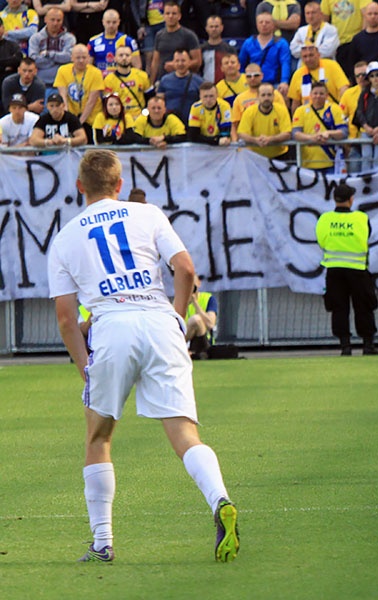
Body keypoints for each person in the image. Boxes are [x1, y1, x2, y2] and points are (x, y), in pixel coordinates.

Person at [47, 149, 239, 564]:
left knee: (99, 437)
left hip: (112, 327)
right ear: (119, 185)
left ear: (80, 187)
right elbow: (186, 269)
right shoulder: (147, 215)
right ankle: (219, 498)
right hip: (159, 322)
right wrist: (176, 314)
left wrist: (85, 366)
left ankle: (102, 543)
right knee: (185, 433)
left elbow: (66, 318)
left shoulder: (65, 237)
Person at [315, 183, 378, 356]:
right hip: (358, 269)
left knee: (339, 307)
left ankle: (345, 346)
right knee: (364, 306)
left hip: (334, 269)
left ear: (334, 199)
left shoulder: (325, 219)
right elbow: (367, 237)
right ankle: (368, 345)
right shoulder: (360, 218)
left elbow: (321, 241)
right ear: (351, 199)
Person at [292, 79, 348, 170]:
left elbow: (344, 132)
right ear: (310, 95)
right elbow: (295, 134)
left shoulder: (335, 109)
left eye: (321, 94)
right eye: (315, 93)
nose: (318, 96)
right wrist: (312, 138)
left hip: (331, 163)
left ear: (326, 96)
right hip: (307, 164)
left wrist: (328, 133)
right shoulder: (300, 111)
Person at [54, 43, 104, 140]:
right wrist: (68, 119)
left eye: (84, 57)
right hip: (71, 115)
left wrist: (79, 124)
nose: (81, 60)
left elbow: (92, 101)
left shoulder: (96, 72)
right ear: (71, 58)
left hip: (91, 118)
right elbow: (63, 97)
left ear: (89, 58)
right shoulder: (62, 70)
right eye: (78, 58)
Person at [238, 13, 291, 98]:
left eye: (267, 22)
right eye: (261, 22)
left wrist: (284, 81)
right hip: (252, 84)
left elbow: (285, 63)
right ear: (256, 25)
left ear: (273, 25)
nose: (264, 25)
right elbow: (241, 64)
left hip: (274, 84)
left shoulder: (281, 43)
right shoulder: (249, 43)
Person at [230, 63, 288, 140]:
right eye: (249, 76)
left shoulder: (275, 94)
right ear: (245, 78)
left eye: (256, 75)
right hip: (249, 147)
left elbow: (283, 118)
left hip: (275, 144)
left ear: (262, 76)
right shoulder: (239, 99)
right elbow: (234, 125)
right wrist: (235, 144)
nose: (252, 78)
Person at [148, 2, 201, 83]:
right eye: (167, 13)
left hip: (184, 81)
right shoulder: (159, 35)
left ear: (179, 16)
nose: (170, 16)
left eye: (174, 13)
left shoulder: (189, 35)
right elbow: (155, 62)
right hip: (163, 82)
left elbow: (197, 61)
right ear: (163, 16)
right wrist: (151, 83)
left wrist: (178, 66)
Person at [287, 43, 349, 112]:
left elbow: (344, 89)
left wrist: (341, 110)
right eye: (305, 56)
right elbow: (296, 103)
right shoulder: (298, 74)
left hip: (332, 113)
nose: (308, 59)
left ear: (318, 55)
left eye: (311, 55)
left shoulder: (332, 66)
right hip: (308, 115)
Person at [237, 82, 292, 158]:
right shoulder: (249, 111)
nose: (266, 98)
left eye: (269, 95)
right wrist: (255, 140)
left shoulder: (282, 110)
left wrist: (270, 139)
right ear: (258, 96)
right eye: (263, 95)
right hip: (256, 155)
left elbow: (287, 134)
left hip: (280, 155)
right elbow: (241, 133)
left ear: (273, 96)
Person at [353, 61, 378, 172]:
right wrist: (365, 125)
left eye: (377, 75)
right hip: (366, 130)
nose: (375, 79)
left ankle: (377, 181)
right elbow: (359, 111)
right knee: (366, 156)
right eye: (372, 76)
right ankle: (366, 180)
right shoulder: (365, 93)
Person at [28, 7, 76, 86]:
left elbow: (69, 58)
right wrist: (58, 61)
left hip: (64, 82)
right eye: (52, 20)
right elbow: (33, 60)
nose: (55, 23)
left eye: (58, 20)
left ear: (62, 21)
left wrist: (48, 54)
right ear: (45, 19)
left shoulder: (69, 38)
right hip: (40, 82)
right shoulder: (35, 38)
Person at [102, 45, 152, 120]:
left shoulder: (142, 75)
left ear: (131, 57)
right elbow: (107, 103)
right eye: (121, 55)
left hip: (140, 118)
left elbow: (151, 97)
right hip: (120, 120)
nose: (124, 58)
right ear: (115, 58)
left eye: (127, 55)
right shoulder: (108, 80)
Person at [320, 0, 368, 79]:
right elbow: (323, 20)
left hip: (355, 43)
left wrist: (362, 38)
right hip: (337, 45)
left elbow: (366, 15)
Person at [156, 48, 204, 124]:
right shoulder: (165, 80)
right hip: (170, 123)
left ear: (189, 62)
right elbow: (159, 102)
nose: (180, 64)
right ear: (173, 62)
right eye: (177, 61)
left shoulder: (199, 81)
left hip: (192, 123)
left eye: (183, 61)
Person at [88, 9, 142, 77]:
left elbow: (137, 66)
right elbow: (88, 66)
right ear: (103, 22)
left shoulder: (128, 41)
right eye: (108, 22)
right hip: (101, 81)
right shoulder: (93, 41)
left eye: (114, 22)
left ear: (119, 22)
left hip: (121, 81)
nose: (111, 25)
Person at [188, 81, 232, 146]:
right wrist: (215, 140)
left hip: (221, 147)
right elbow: (193, 136)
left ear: (217, 95)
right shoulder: (195, 108)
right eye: (205, 96)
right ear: (200, 96)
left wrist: (217, 140)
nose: (208, 100)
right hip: (202, 146)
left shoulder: (224, 106)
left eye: (211, 96)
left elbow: (225, 135)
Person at [185, 274, 218, 357]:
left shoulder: (208, 298)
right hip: (187, 338)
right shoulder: (180, 301)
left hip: (204, 340)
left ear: (198, 283)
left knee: (196, 320)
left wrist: (195, 303)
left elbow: (210, 324)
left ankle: (180, 348)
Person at [200, 14, 237, 84]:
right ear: (206, 28)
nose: (214, 29)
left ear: (221, 28)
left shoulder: (229, 49)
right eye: (211, 27)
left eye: (216, 26)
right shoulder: (201, 49)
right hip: (206, 87)